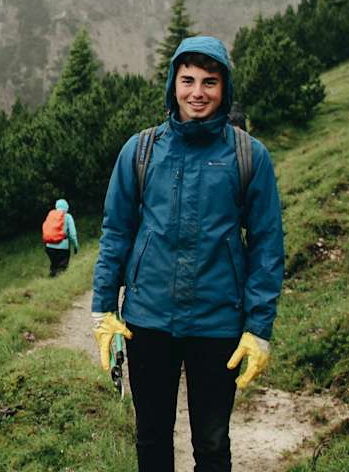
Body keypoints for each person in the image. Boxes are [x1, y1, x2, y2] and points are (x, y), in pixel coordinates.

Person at [90, 36, 285, 472]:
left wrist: (259, 327)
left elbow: (267, 245)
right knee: (152, 439)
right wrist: (103, 309)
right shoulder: (140, 151)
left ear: (224, 89)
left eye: (210, 82)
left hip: (218, 325)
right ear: (172, 84)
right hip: (148, 321)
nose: (198, 92)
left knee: (213, 446)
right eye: (188, 80)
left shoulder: (248, 156)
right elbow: (116, 232)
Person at [42, 198, 79, 276]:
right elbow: (73, 234)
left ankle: (51, 279)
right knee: (62, 268)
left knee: (54, 266)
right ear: (66, 207)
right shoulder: (68, 216)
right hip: (63, 248)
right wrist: (75, 246)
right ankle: (60, 280)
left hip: (49, 247)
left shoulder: (51, 215)